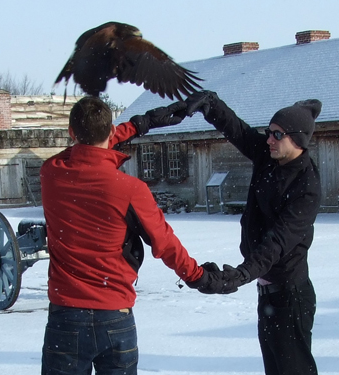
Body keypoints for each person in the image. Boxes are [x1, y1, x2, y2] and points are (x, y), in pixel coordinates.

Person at [39, 96, 223, 374]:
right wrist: (198, 276)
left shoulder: (51, 172)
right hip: (115, 315)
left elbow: (83, 150)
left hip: (66, 315)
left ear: (70, 133)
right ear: (111, 131)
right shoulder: (130, 189)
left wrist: (138, 125)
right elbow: (165, 242)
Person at [181, 91, 323, 375]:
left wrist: (240, 274)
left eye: (277, 134)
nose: (269, 139)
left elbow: (277, 243)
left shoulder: (306, 186)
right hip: (268, 292)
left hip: (290, 295)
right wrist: (211, 105)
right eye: (269, 132)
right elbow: (238, 130)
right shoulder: (269, 156)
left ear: (297, 139)